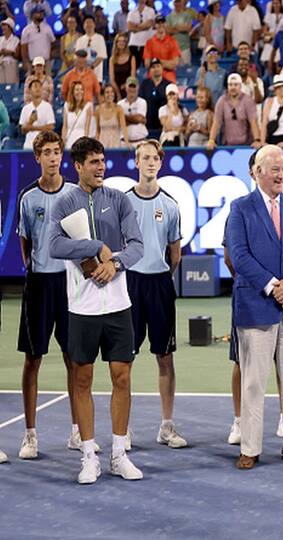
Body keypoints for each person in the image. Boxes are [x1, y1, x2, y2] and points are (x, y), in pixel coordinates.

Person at [48, 137, 145, 485]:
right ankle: (89, 455)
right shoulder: (63, 203)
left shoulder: (119, 200)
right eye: (93, 162)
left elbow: (137, 246)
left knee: (122, 377)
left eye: (103, 161)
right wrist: (96, 246)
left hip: (118, 304)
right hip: (82, 308)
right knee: (83, 379)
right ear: (78, 166)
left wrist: (114, 264)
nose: (101, 167)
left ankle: (119, 453)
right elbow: (54, 245)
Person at [225, 144, 283, 469]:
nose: (281, 174)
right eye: (274, 169)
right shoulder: (240, 209)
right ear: (257, 173)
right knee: (253, 382)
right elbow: (239, 256)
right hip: (256, 306)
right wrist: (273, 287)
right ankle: (249, 449)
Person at [15, 132, 83, 460]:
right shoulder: (27, 197)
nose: (54, 157)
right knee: (33, 359)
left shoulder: (74, 193)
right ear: (37, 158)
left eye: (57, 152)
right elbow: (25, 244)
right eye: (47, 152)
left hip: (70, 287)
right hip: (39, 287)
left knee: (75, 359)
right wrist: (37, 269)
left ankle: (76, 432)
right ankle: (30, 436)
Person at [124, 139, 186, 449]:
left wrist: (160, 276)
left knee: (165, 357)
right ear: (136, 163)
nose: (150, 162)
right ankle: (124, 429)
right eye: (144, 157)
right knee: (125, 359)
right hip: (130, 285)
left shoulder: (171, 205)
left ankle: (166, 426)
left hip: (160, 285)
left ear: (160, 163)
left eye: (155, 158)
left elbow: (175, 255)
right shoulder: (122, 203)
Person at [207, 73, 262, 149]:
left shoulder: (247, 101)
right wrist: (211, 140)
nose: (233, 87)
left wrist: (257, 140)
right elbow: (216, 122)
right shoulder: (222, 101)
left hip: (246, 145)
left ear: (240, 86)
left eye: (235, 85)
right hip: (227, 146)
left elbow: (253, 122)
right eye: (230, 85)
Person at [144, 15, 182, 84]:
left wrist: (157, 63)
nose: (161, 25)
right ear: (155, 25)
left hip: (169, 76)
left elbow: (175, 63)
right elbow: (147, 64)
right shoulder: (149, 42)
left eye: (162, 23)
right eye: (158, 23)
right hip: (153, 76)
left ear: (166, 24)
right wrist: (166, 63)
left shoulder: (173, 41)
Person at [139, 59, 170, 140]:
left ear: (162, 68)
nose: (156, 69)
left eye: (158, 66)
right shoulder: (144, 84)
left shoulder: (168, 85)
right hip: (147, 125)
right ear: (149, 70)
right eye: (153, 67)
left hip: (163, 126)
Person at [20, 79, 54, 150]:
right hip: (29, 145)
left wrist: (31, 127)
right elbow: (23, 130)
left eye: (39, 86)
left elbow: (50, 127)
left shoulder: (48, 106)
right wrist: (30, 121)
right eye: (35, 86)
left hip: (44, 145)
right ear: (29, 90)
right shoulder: (26, 108)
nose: (38, 89)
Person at [20, 5, 54, 74]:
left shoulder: (47, 28)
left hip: (45, 62)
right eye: (39, 13)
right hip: (32, 63)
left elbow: (53, 43)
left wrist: (49, 56)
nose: (41, 15)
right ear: (32, 15)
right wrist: (26, 62)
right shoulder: (27, 30)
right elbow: (24, 47)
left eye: (42, 13)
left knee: (47, 83)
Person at [96, 85, 130, 150]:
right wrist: (96, 146)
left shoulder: (119, 109)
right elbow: (98, 130)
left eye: (112, 92)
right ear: (103, 95)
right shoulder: (98, 110)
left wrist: (127, 143)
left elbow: (123, 127)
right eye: (107, 92)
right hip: (102, 145)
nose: (110, 94)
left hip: (115, 145)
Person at [75, 15, 108, 82]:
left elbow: (101, 56)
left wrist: (92, 67)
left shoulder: (100, 38)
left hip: (97, 76)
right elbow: (77, 57)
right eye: (86, 23)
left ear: (94, 25)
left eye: (91, 22)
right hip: (83, 75)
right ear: (83, 26)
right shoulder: (80, 40)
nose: (89, 25)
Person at [118, 77, 149, 147]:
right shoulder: (120, 104)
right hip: (124, 143)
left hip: (140, 141)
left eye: (134, 87)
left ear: (137, 88)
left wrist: (124, 118)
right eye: (130, 86)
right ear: (125, 87)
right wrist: (136, 120)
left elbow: (139, 118)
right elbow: (119, 122)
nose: (132, 89)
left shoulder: (142, 102)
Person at [63, 81, 93, 149]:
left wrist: (86, 142)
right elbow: (65, 126)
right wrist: (63, 141)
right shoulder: (66, 106)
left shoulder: (88, 106)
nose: (80, 92)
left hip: (82, 140)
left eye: (81, 89)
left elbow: (87, 127)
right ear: (72, 92)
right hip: (69, 139)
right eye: (77, 90)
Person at [167, 0, 197, 66]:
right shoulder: (169, 17)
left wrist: (174, 27)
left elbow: (188, 28)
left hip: (185, 47)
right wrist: (181, 28)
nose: (177, 4)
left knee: (186, 68)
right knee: (173, 68)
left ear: (181, 3)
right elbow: (168, 31)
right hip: (173, 48)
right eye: (176, 2)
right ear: (174, 3)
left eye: (179, 2)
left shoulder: (187, 15)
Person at [127, 0, 156, 66]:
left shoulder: (150, 10)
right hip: (133, 44)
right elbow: (130, 27)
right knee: (133, 66)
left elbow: (149, 25)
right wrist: (143, 26)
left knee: (148, 66)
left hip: (146, 43)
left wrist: (136, 26)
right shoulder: (131, 12)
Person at [109, 32, 136, 100]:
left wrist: (125, 86)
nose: (121, 43)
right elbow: (112, 79)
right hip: (115, 88)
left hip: (128, 87)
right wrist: (117, 92)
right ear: (116, 43)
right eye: (119, 41)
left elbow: (133, 76)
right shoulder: (112, 59)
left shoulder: (132, 58)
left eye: (123, 41)